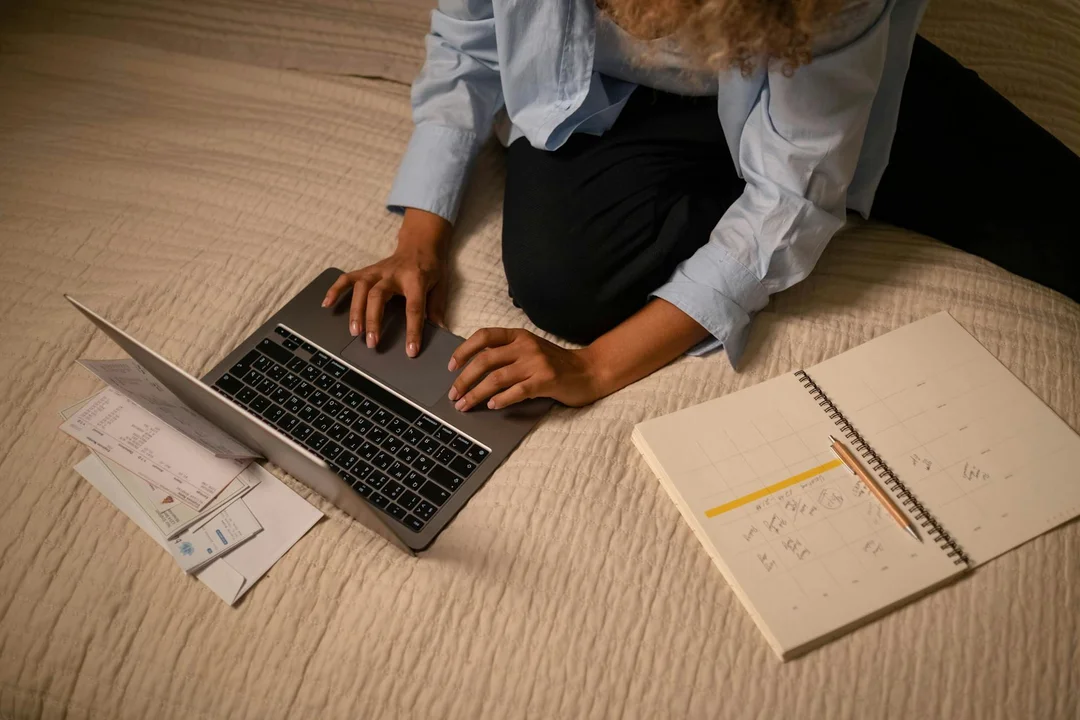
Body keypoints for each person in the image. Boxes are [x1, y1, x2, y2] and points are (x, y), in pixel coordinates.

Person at [322, 0, 1079, 413]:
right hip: (608, 96)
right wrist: (419, 239)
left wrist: (594, 371)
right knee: (561, 283)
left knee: (1053, 220)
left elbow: (793, 192)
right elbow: (471, 41)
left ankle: (853, 125)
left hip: (796, 51)